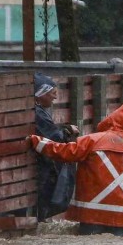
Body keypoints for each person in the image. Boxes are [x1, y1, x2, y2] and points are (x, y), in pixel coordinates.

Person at [26, 101, 123, 237]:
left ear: (109, 121)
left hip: (90, 214)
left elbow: (63, 152)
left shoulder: (92, 141)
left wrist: (37, 141)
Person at [33, 73, 80, 222]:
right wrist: (67, 131)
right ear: (41, 93)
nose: (55, 98)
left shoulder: (38, 111)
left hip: (40, 170)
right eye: (52, 94)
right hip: (42, 171)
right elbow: (54, 137)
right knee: (45, 204)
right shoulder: (38, 113)